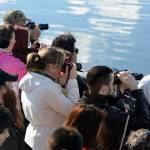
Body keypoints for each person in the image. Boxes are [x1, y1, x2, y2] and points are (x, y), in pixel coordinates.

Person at [19, 47, 79, 150]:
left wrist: (62, 84)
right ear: (52, 66)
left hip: (33, 137)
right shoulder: (47, 88)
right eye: (62, 65)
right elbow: (72, 109)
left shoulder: (31, 79)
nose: (62, 70)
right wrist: (72, 80)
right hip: (47, 142)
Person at [80, 66, 150, 150]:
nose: (115, 85)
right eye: (113, 83)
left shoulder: (82, 103)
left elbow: (105, 101)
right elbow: (144, 123)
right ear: (104, 89)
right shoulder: (109, 115)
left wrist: (122, 92)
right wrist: (134, 89)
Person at [51, 32, 88, 98]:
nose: (76, 54)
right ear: (69, 55)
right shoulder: (79, 83)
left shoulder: (47, 74)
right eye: (76, 50)